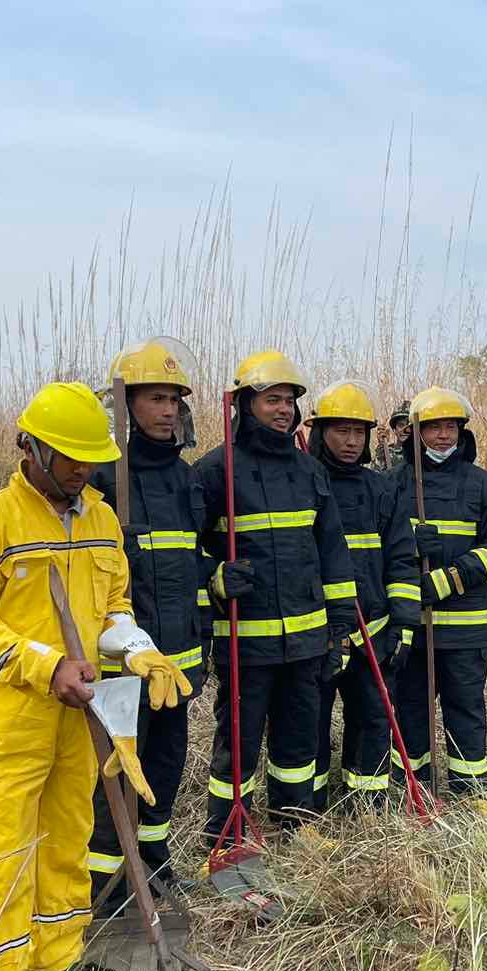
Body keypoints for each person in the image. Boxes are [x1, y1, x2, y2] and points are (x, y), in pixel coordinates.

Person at [0, 382, 191, 971]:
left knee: (66, 841)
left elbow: (112, 606)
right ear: (32, 449)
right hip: (7, 720)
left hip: (81, 712)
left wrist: (136, 649)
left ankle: (53, 966)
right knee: (3, 851)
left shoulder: (103, 519)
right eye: (72, 461)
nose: (83, 473)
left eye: (91, 462)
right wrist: (44, 665)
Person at [196, 350, 358, 838]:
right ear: (245, 404)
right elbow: (188, 552)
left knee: (299, 739)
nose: (284, 408)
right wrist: (215, 576)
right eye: (272, 399)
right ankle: (227, 831)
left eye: (289, 400)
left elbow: (332, 551)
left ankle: (294, 822)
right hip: (246, 641)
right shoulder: (214, 470)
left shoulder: (310, 472)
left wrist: (340, 624)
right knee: (239, 742)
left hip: (308, 641)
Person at [85, 341, 212, 904]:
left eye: (173, 399)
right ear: (124, 405)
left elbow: (192, 562)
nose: (166, 410)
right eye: (155, 398)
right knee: (114, 774)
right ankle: (107, 885)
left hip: (175, 662)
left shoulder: (189, 482)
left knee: (164, 766)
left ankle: (155, 866)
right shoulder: (101, 478)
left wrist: (214, 596)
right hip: (118, 663)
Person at [390, 387, 487, 795]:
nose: (443, 436)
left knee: (466, 710)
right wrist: (412, 553)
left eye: (451, 427)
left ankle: (470, 791)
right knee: (410, 711)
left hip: (465, 627)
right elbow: (376, 546)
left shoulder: (482, 485)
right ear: (415, 432)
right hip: (413, 626)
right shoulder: (394, 484)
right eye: (433, 428)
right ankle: (415, 789)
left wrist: (444, 578)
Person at [307, 381, 421, 809]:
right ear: (320, 433)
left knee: (373, 719)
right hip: (317, 631)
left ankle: (366, 808)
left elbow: (401, 559)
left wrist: (403, 626)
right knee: (310, 723)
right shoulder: (306, 484)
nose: (352, 441)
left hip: (375, 629)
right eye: (341, 431)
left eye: (360, 432)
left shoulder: (380, 489)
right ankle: (308, 810)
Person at [372, 399, 411, 474]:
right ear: (394, 429)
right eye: (401, 425)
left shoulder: (422, 454)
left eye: (409, 425)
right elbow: (374, 477)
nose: (405, 429)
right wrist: (382, 446)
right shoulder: (386, 453)